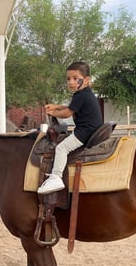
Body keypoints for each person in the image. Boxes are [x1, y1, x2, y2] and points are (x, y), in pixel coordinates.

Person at [37, 61, 103, 194]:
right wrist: (56, 106)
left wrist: (53, 113)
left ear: (86, 80)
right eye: (68, 79)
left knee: (61, 148)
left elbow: (67, 113)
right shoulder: (85, 93)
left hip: (86, 132)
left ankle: (56, 177)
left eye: (75, 78)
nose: (71, 82)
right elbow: (70, 107)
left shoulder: (80, 95)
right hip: (92, 128)